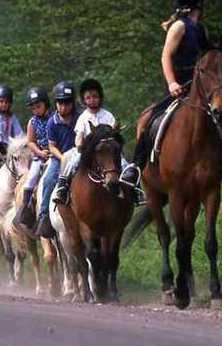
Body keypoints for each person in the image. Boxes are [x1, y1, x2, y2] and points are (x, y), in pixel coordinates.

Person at [133, 0, 222, 186]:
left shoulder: (201, 30)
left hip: (200, 87)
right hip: (178, 86)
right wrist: (171, 83)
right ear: (197, 5)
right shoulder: (179, 27)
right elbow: (165, 57)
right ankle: (135, 167)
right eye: (202, 4)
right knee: (151, 120)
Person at [52, 79, 143, 207]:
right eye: (88, 98)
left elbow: (114, 133)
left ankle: (137, 192)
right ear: (84, 100)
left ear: (100, 97)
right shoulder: (83, 117)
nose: (92, 100)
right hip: (89, 151)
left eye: (95, 97)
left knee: (126, 165)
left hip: (107, 150)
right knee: (71, 164)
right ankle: (62, 189)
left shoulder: (108, 115)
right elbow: (79, 134)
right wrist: (79, 145)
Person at [34, 80, 79, 238]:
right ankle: (44, 216)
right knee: (48, 181)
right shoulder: (52, 122)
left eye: (67, 103)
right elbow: (51, 146)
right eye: (60, 103)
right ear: (55, 103)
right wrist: (63, 158)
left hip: (79, 156)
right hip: (59, 158)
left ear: (73, 103)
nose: (63, 107)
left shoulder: (80, 118)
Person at [13, 87, 53, 236]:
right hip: (39, 156)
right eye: (33, 108)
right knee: (30, 181)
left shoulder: (55, 117)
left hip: (56, 154)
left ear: (45, 104)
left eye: (39, 106)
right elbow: (30, 142)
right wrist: (40, 152)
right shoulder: (32, 122)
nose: (36, 110)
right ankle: (25, 209)